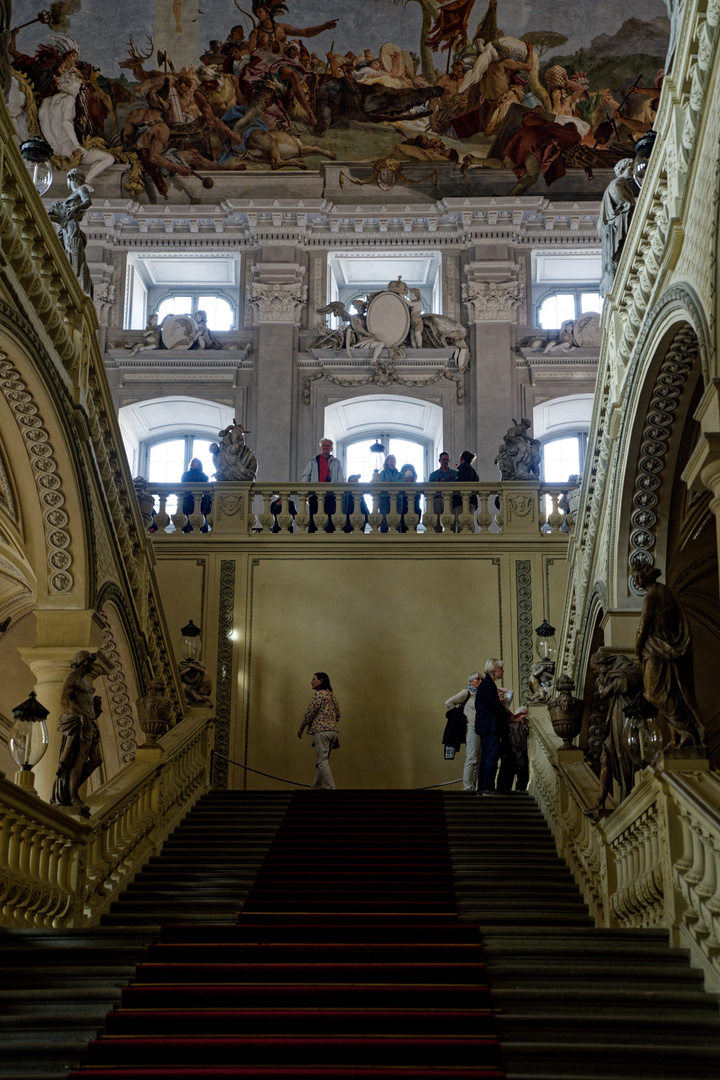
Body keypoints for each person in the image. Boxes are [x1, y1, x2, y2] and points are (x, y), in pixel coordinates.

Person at [50, 651, 103, 816]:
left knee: (96, 760)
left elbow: (82, 703)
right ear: (84, 663)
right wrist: (81, 715)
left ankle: (69, 790)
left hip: (89, 724)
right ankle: (72, 797)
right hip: (79, 724)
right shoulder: (71, 678)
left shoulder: (84, 683)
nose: (92, 666)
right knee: (77, 760)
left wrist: (95, 708)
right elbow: (65, 701)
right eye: (90, 663)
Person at [475, 657, 526, 795]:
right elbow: (496, 706)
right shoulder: (488, 684)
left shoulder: (485, 684)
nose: (503, 671)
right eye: (501, 668)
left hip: (485, 726)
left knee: (486, 756)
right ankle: (487, 788)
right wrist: (512, 718)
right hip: (490, 727)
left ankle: (482, 788)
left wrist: (511, 717)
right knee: (491, 756)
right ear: (494, 670)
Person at [297, 672, 341, 790]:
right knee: (322, 761)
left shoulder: (319, 695)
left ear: (321, 681)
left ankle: (331, 787)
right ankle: (315, 787)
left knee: (322, 761)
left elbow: (310, 713)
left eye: (314, 679)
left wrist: (302, 726)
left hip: (322, 731)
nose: (311, 682)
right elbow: (338, 715)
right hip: (333, 732)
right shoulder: (332, 696)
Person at [446, 672, 482, 791]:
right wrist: (459, 716)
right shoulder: (466, 692)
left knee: (477, 759)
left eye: (481, 679)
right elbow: (449, 702)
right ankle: (467, 787)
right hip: (470, 727)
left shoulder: (479, 695)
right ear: (471, 681)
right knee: (471, 757)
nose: (480, 681)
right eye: (478, 679)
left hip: (479, 727)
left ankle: (473, 786)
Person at [301, 438, 345, 532]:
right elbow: (306, 475)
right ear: (321, 447)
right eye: (324, 445)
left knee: (330, 517)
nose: (326, 447)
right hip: (315, 494)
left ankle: (330, 539)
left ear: (331, 448)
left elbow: (340, 477)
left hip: (330, 494)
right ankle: (312, 539)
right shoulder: (313, 460)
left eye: (328, 446)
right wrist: (303, 489)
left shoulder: (336, 462)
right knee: (314, 517)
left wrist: (340, 492)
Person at [180, 458, 211, 532]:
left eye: (194, 462)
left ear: (199, 464)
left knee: (200, 519)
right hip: (188, 500)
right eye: (192, 462)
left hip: (201, 502)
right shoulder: (186, 475)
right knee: (188, 519)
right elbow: (185, 480)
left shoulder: (204, 476)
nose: (192, 463)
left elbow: (204, 480)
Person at [428, 451, 458, 528]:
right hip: (438, 499)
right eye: (443, 459)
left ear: (449, 460)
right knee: (437, 522)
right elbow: (429, 490)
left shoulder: (455, 474)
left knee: (452, 522)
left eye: (447, 460)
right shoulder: (433, 475)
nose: (445, 461)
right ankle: (438, 539)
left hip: (451, 499)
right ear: (439, 461)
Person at [452, 450, 479, 527]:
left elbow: (461, 484)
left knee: (462, 524)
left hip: (462, 501)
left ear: (461, 459)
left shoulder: (463, 468)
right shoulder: (473, 471)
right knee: (470, 523)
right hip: (472, 500)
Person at [378, 453, 402, 532]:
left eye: (394, 458)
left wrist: (389, 481)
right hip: (384, 497)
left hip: (398, 497)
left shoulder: (399, 474)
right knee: (384, 519)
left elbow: (403, 481)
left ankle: (398, 540)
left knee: (397, 519)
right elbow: (381, 483)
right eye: (390, 458)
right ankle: (383, 540)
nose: (393, 460)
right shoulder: (383, 473)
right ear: (387, 461)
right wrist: (397, 482)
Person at [398, 463, 421, 531]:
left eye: (410, 471)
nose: (408, 473)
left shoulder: (417, 487)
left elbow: (418, 500)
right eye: (406, 471)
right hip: (402, 511)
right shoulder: (399, 486)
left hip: (414, 511)